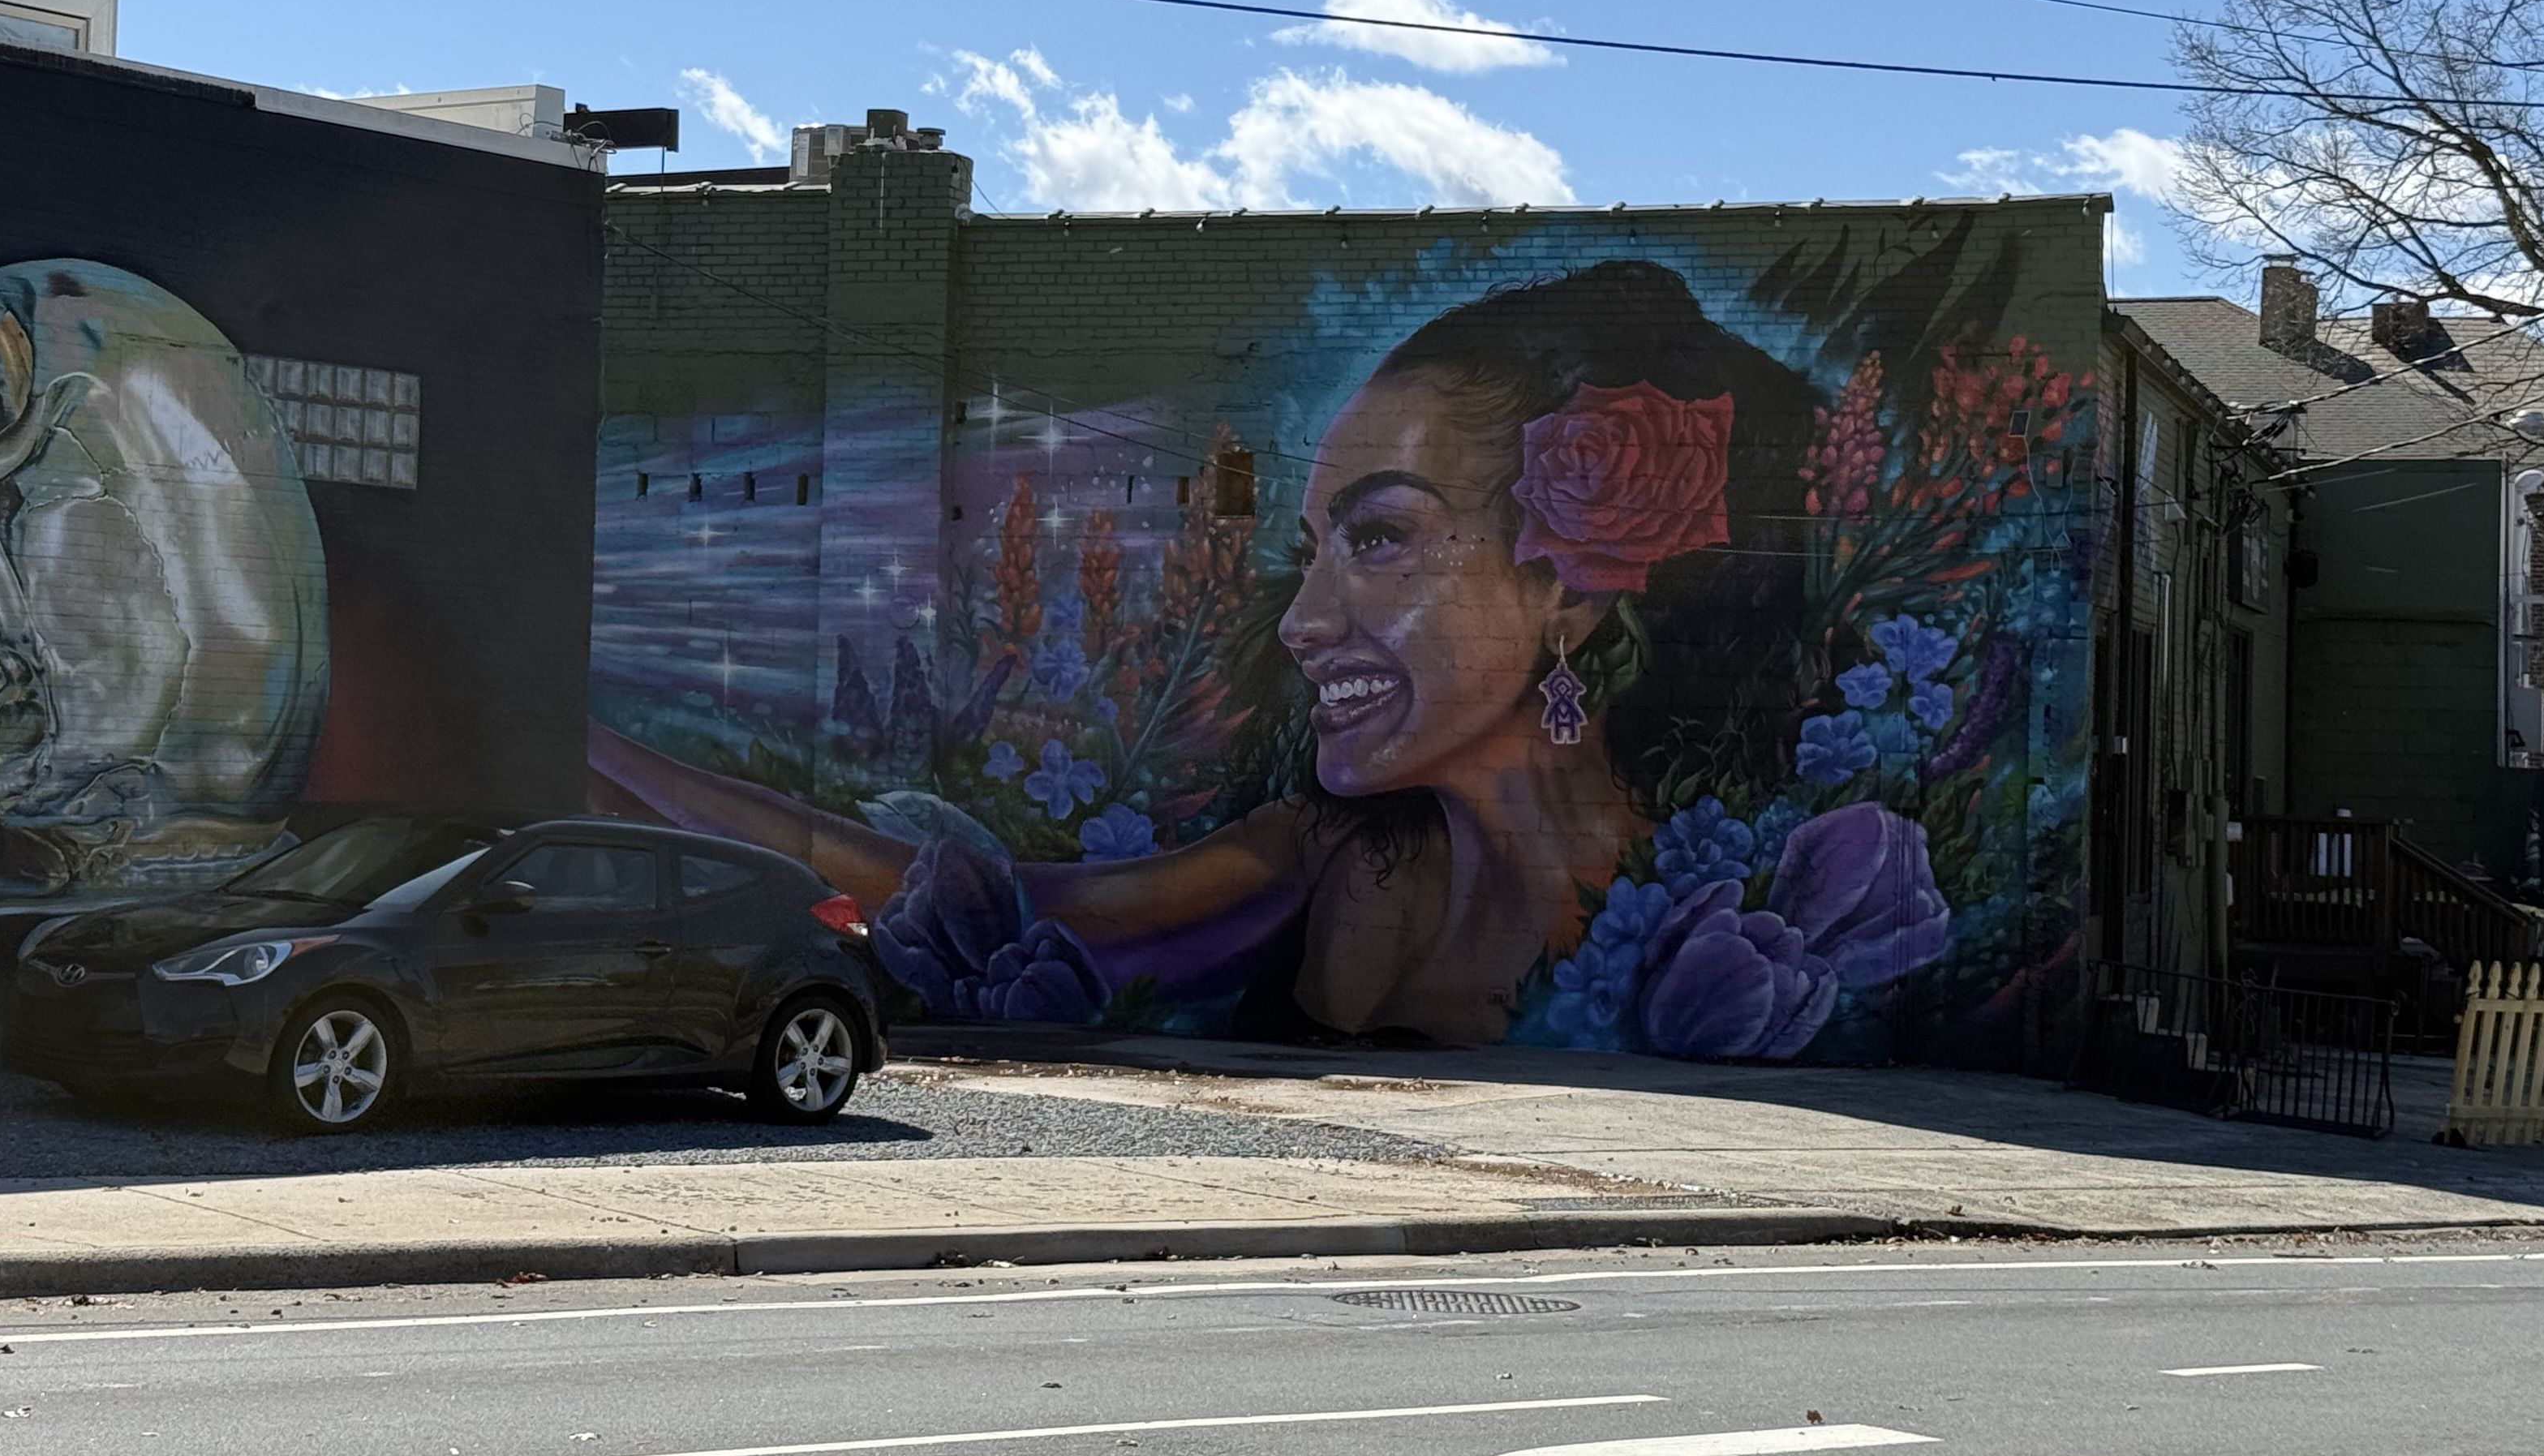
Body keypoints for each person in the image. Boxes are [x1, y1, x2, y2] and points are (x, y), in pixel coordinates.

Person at [595, 260, 1931, 1048]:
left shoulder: (1750, 906)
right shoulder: (1332, 850)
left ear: (1571, 597)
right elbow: (1003, 902)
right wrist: (601, 759)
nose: (1301, 620)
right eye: (1311, 550)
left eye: (1383, 540)